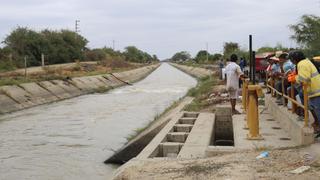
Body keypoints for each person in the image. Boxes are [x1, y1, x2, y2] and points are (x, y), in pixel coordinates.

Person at [289, 50, 320, 137]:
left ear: (294, 59)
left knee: (318, 111)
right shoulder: (306, 62)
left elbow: (304, 79)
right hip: (313, 91)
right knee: (312, 108)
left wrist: (294, 78)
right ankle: (317, 125)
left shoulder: (301, 64)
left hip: (315, 91)